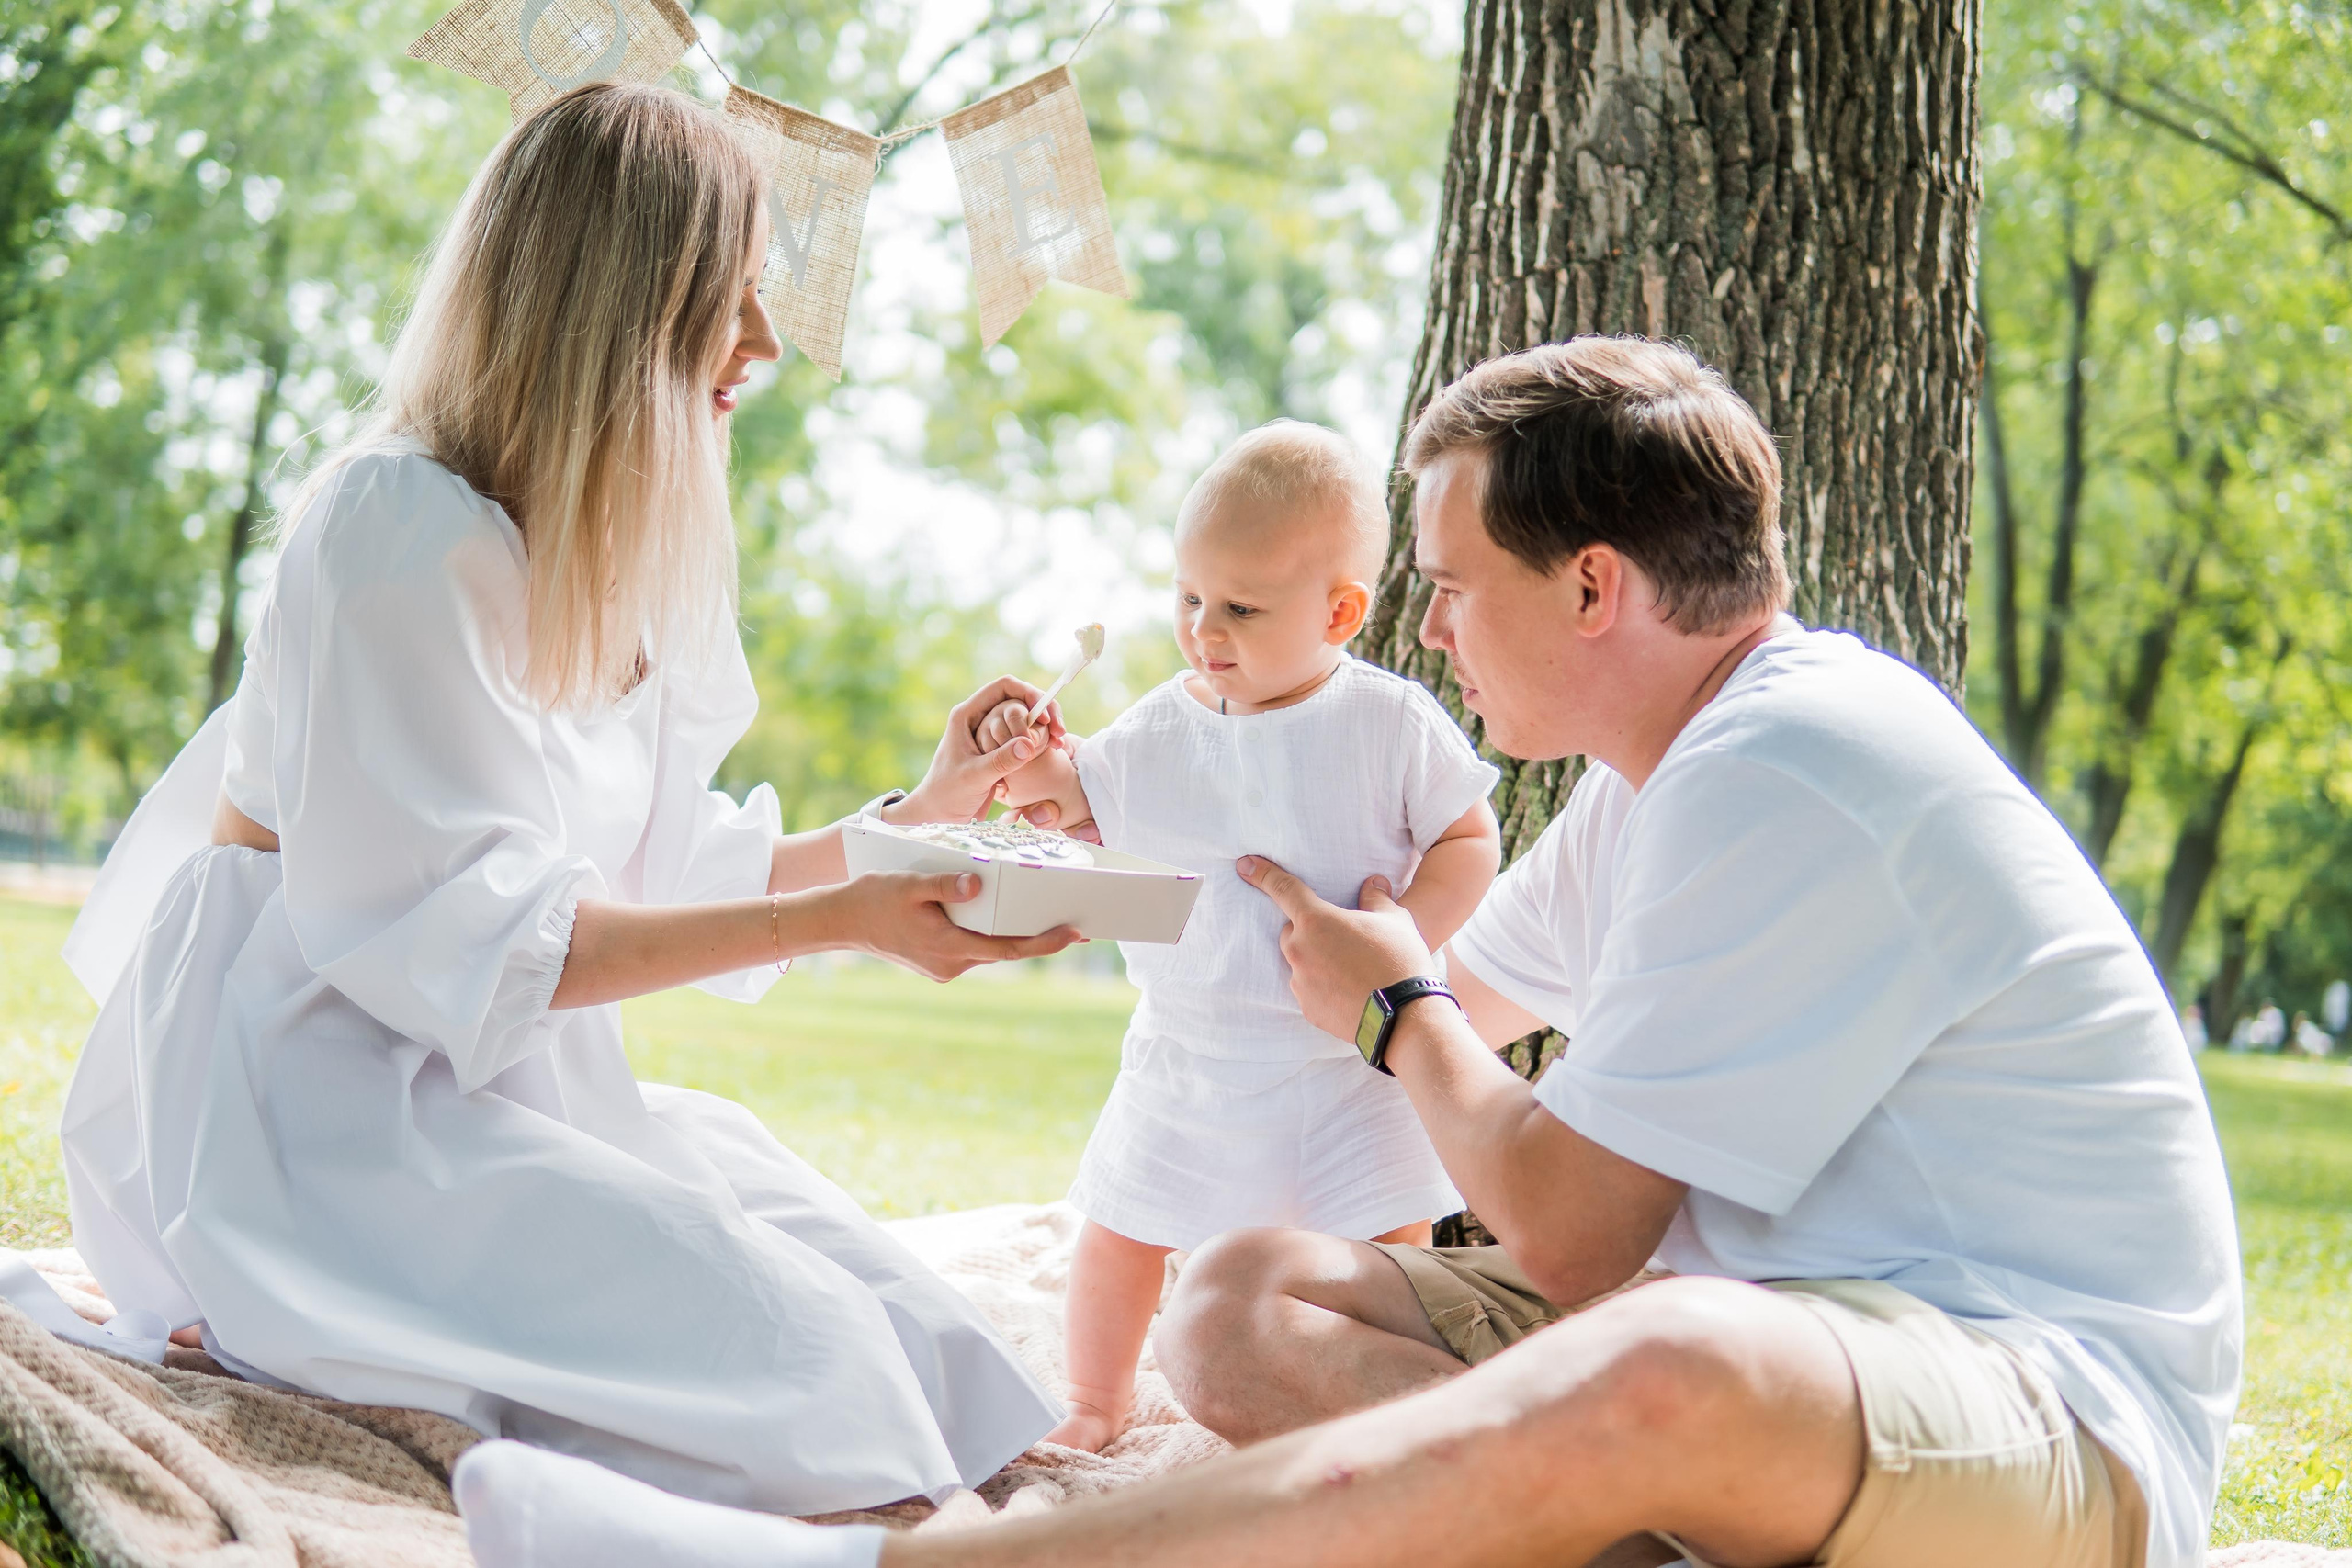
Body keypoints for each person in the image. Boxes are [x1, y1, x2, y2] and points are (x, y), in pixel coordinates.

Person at [450, 336, 2242, 1568]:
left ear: (1592, 586)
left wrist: (1393, 1008)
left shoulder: (1791, 763)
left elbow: (1562, 1214)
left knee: (1669, 1359)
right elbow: (1477, 997)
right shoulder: (1663, 777)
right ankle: (1573, 1509)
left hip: (2024, 1397)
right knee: (1235, 1294)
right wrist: (1117, 894)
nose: (1433, 633)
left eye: (1452, 586)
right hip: (1771, 1341)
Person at [57, 83, 1084, 1517]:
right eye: (729, 297)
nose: (766, 341)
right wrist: (848, 917)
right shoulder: (394, 527)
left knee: (935, 1347)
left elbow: (664, 867)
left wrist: (923, 812)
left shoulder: (603, 540)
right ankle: (287, 1316)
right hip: (316, 1102)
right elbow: (480, 943)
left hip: (497, 1076)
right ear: (617, 305)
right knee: (820, 1370)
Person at [974, 421, 1501, 1450]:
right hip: (1189, 1049)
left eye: (1241, 609)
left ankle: (1371, 1389)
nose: (1203, 630)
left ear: (1339, 612)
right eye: (1189, 598)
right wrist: (1025, 751)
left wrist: (1405, 935)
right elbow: (1072, 797)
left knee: (1386, 1243)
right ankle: (1094, 1398)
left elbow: (1468, 836)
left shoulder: (1389, 722)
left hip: (1351, 1060)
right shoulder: (1159, 726)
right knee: (1120, 1229)